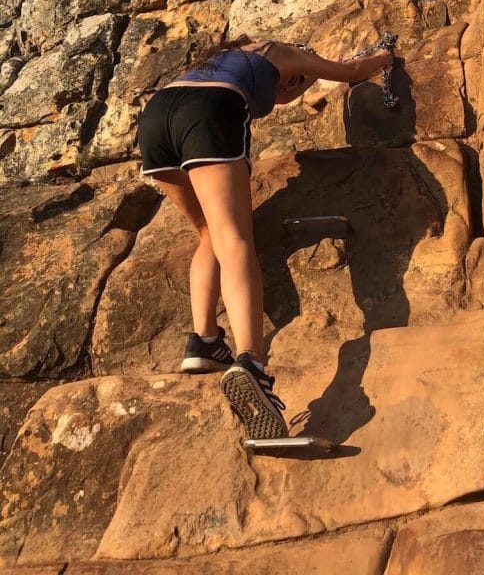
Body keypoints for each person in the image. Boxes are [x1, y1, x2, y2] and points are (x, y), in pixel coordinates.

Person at [137, 36, 392, 440]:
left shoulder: (214, 66)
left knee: (208, 233)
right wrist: (384, 56)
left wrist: (296, 87)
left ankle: (204, 342)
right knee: (234, 236)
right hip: (209, 112)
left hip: (155, 120)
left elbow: (277, 95)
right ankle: (251, 362)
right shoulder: (276, 49)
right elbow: (349, 72)